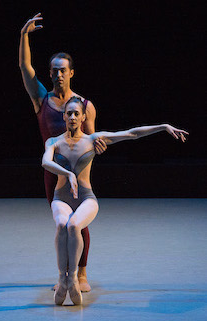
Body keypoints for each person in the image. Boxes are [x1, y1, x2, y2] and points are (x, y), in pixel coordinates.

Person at [42, 96, 189, 305]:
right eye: (69, 113)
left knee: (74, 225)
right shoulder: (53, 141)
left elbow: (132, 134)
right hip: (62, 198)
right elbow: (45, 161)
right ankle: (61, 279)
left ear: (83, 117)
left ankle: (73, 277)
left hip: (85, 198)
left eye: (77, 113)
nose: (73, 117)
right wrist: (69, 174)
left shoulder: (93, 140)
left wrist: (163, 126)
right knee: (61, 224)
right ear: (64, 117)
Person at [19, 13, 107, 292]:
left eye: (63, 70)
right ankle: (64, 275)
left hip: (79, 173)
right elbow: (24, 66)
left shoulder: (84, 105)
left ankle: (81, 273)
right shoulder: (41, 99)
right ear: (50, 73)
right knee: (62, 223)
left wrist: (99, 145)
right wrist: (23, 35)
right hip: (53, 174)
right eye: (54, 70)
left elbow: (92, 138)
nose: (59, 74)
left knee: (79, 222)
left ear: (71, 72)